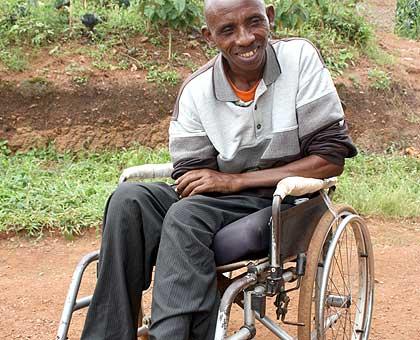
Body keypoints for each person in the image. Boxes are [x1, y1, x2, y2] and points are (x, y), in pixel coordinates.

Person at [81, 0, 357, 339]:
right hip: (223, 200)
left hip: (288, 197)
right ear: (209, 35)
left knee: (187, 216)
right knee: (128, 201)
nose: (244, 39)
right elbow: (194, 174)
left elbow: (330, 158)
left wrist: (234, 180)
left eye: (254, 22)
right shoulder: (197, 91)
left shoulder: (299, 60)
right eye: (227, 29)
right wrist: (224, 183)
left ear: (269, 17)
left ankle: (172, 334)